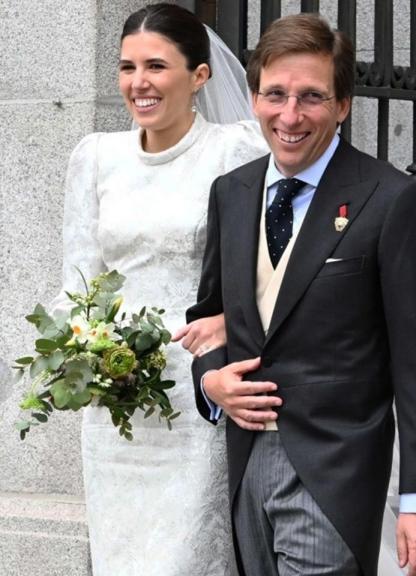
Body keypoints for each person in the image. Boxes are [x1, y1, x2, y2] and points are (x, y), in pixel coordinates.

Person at [186, 13, 416, 576]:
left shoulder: (393, 202)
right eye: (276, 95)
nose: (290, 115)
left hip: (336, 474)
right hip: (245, 466)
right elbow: (209, 316)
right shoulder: (231, 193)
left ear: (342, 105)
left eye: (311, 97)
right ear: (255, 96)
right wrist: (212, 381)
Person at [59, 3, 267, 574]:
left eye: (156, 65)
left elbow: (280, 268)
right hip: (114, 402)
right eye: (127, 67)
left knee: (187, 556)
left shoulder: (235, 151)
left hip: (198, 389)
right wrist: (76, 357)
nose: (139, 83)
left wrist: (232, 321)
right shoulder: (96, 157)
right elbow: (77, 284)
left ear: (200, 76)